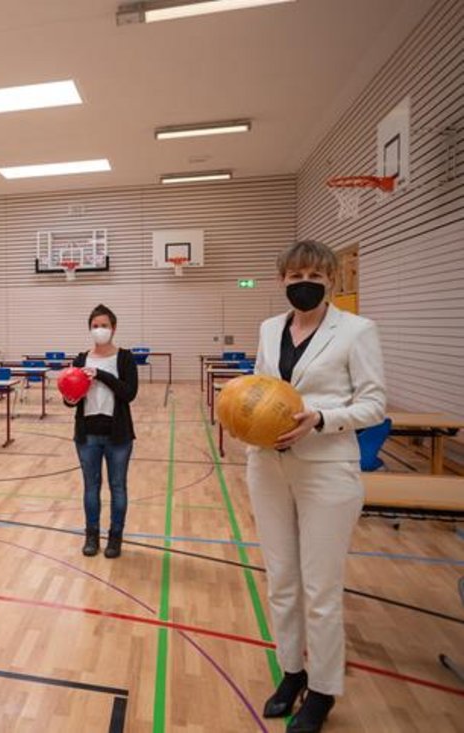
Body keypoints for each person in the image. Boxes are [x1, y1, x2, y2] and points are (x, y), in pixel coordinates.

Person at [248, 241, 386, 733]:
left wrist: (322, 417)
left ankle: (324, 689)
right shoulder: (269, 328)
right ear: (282, 279)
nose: (301, 280)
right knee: (282, 580)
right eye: (292, 274)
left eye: (312, 273)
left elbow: (373, 405)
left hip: (327, 468)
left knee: (320, 588)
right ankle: (292, 671)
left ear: (330, 278)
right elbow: (263, 388)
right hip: (267, 466)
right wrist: (244, 411)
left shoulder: (357, 331)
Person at [63, 304, 138, 559]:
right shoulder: (81, 359)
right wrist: (69, 399)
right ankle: (91, 535)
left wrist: (101, 374)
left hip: (118, 434)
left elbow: (129, 393)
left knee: (118, 487)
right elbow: (71, 394)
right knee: (90, 486)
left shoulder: (125, 357)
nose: (99, 330)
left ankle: (115, 538)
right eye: (95, 326)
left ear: (113, 328)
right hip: (87, 433)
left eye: (104, 326)